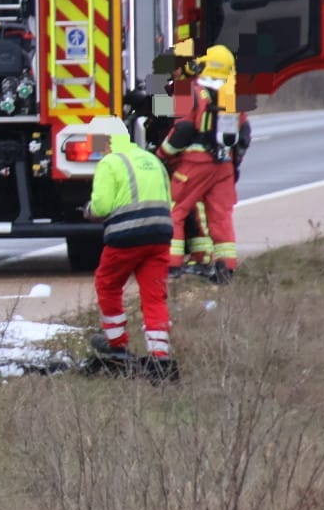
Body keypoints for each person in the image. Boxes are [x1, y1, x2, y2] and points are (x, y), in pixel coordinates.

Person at [84, 126, 176, 380]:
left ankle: (117, 346)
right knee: (154, 296)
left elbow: (102, 206)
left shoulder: (110, 162)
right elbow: (169, 199)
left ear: (106, 142)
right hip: (160, 234)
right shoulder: (152, 159)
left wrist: (89, 210)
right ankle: (161, 357)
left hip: (127, 235)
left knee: (108, 284)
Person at [158, 45, 240, 284]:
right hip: (223, 163)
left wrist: (162, 154)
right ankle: (226, 268)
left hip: (195, 163)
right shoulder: (231, 95)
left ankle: (171, 266)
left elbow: (182, 129)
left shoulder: (191, 91)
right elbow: (243, 133)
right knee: (220, 215)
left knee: (174, 209)